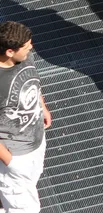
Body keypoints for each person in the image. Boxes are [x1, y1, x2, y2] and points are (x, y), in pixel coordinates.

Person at [0, 22, 51, 213]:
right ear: (10, 52)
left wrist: (42, 107)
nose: (31, 48)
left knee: (31, 180)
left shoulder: (24, 57)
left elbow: (31, 81)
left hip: (35, 142)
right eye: (26, 46)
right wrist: (10, 162)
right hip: (15, 155)